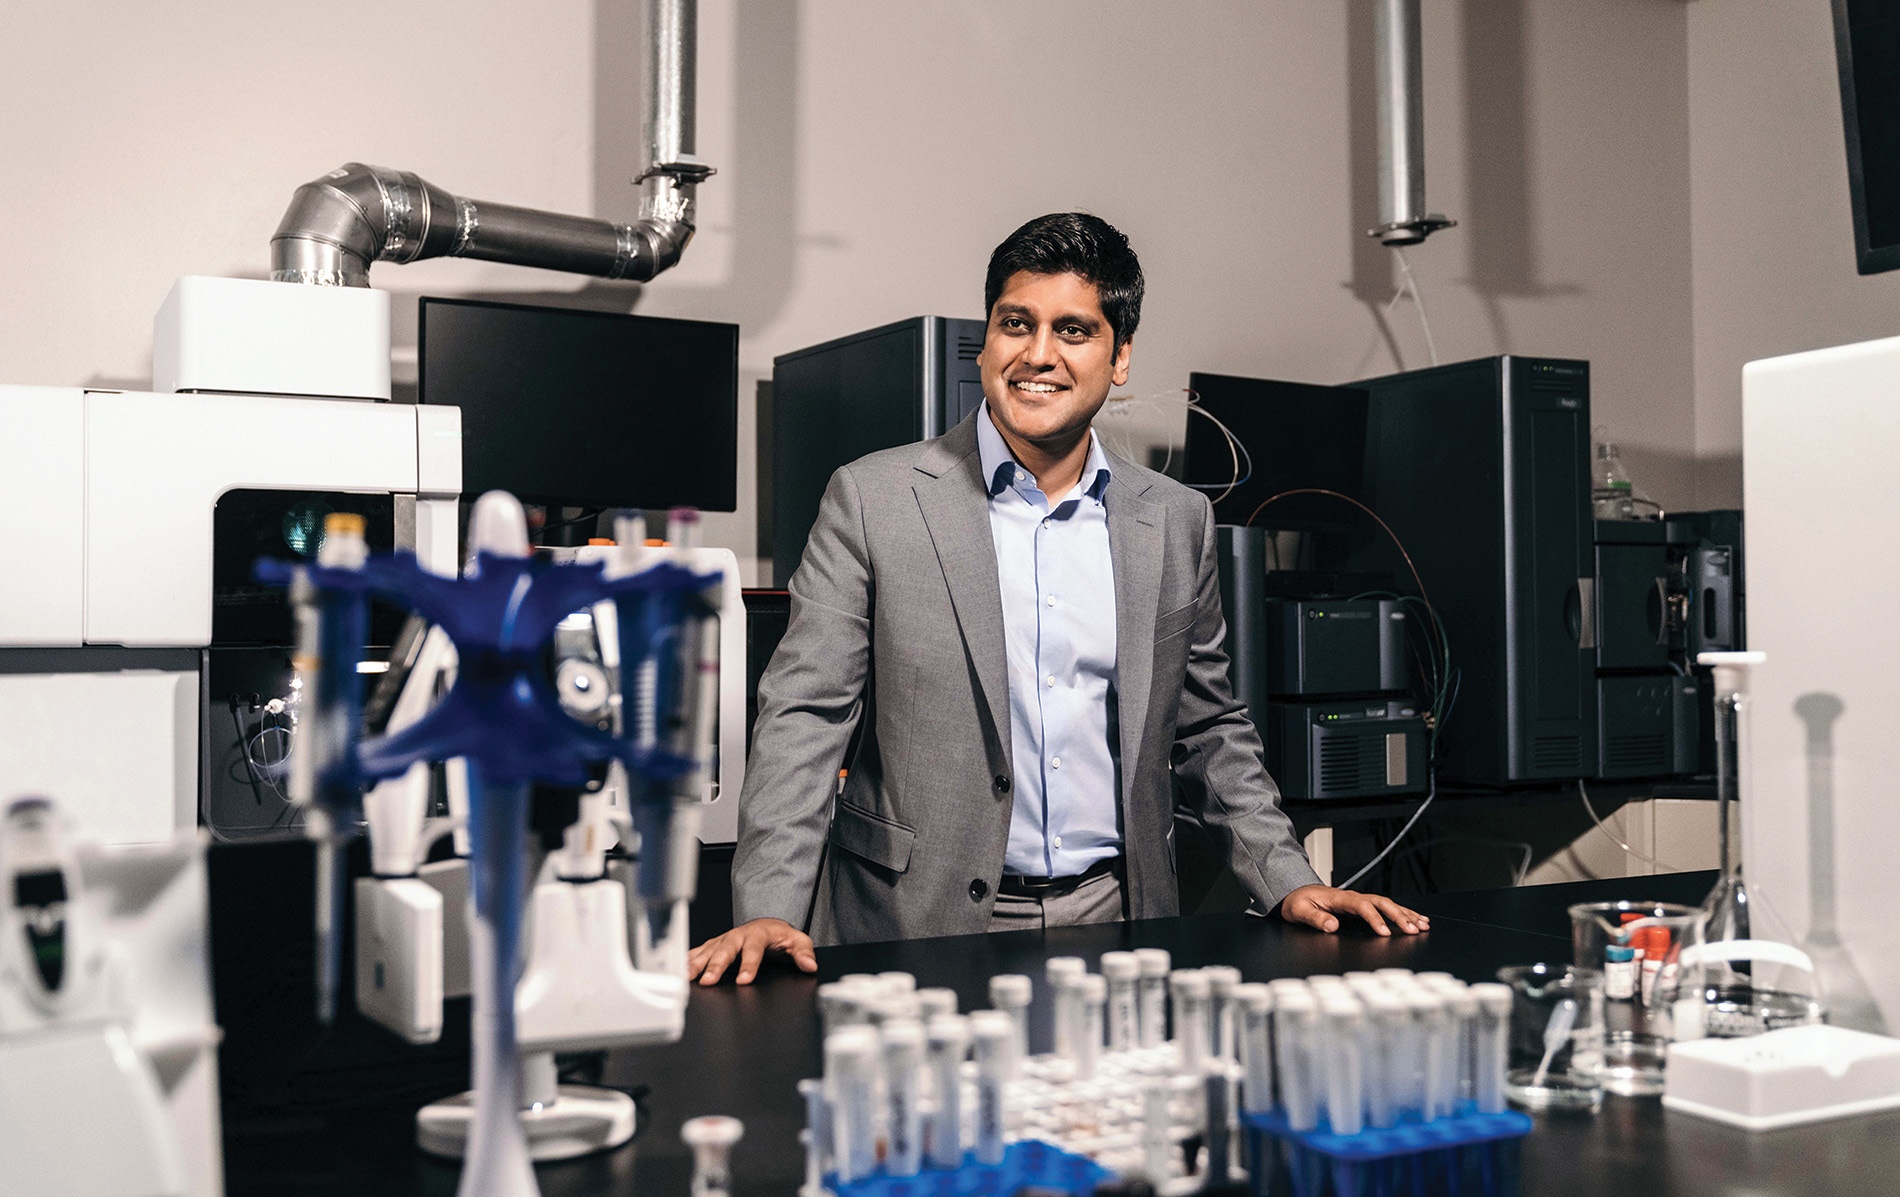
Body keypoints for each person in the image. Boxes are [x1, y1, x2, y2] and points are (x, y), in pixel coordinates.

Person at [688, 213, 1426, 985]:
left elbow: (1208, 724)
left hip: (1120, 921)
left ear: (1121, 357)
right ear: (988, 339)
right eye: (1016, 323)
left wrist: (1288, 877)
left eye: (1073, 329)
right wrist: (769, 905)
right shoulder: (873, 498)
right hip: (912, 928)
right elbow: (805, 717)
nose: (1038, 354)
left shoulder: (1174, 520)